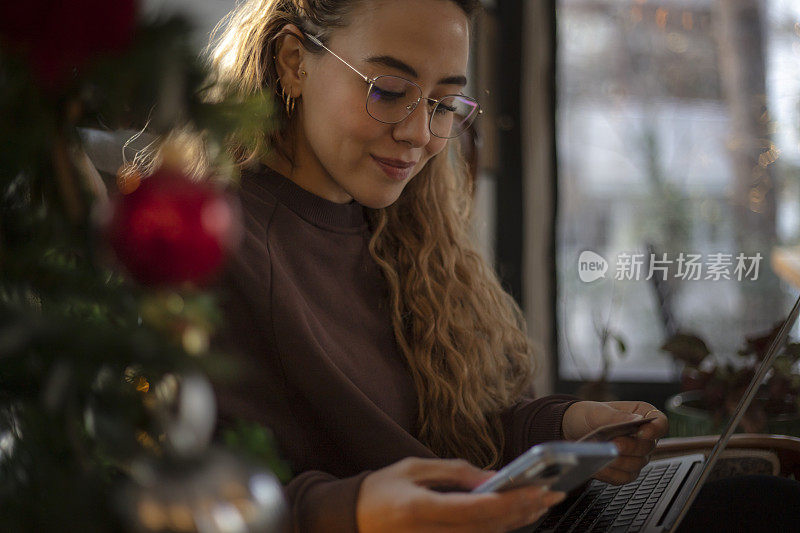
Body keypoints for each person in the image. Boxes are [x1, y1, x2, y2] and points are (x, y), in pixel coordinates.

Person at [204, 0, 675, 531]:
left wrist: (564, 425)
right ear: (294, 61)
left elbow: (462, 437)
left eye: (445, 104)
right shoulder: (211, 245)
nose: (421, 135)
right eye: (387, 91)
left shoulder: (406, 225)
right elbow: (169, 493)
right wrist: (352, 511)